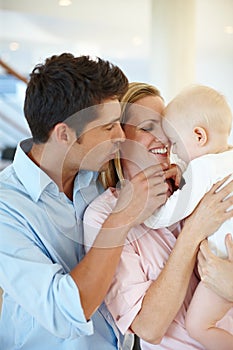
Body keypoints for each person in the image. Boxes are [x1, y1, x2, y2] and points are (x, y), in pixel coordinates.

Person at [0, 54, 170, 350]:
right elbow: (66, 313)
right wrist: (120, 218)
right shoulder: (7, 208)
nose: (121, 136)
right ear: (64, 134)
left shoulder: (98, 176)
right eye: (108, 128)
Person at [83, 82, 233, 349]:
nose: (164, 139)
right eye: (147, 128)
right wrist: (194, 229)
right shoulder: (103, 215)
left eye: (166, 128)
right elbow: (148, 328)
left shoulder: (194, 183)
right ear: (119, 139)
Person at [144, 85, 233, 349]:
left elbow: (169, 214)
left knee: (199, 326)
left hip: (223, 258)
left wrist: (145, 214)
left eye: (174, 143)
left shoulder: (202, 168)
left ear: (198, 135)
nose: (172, 152)